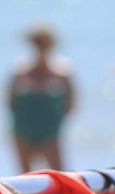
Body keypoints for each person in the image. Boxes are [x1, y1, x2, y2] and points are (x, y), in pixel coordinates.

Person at [8, 25, 74, 171]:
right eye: (37, 42)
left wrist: (56, 123)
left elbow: (71, 104)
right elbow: (10, 102)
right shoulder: (20, 70)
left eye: (44, 43)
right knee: (24, 177)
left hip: (49, 130)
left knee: (59, 174)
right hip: (23, 129)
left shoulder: (62, 72)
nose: (40, 47)